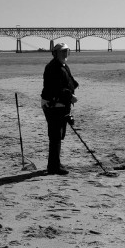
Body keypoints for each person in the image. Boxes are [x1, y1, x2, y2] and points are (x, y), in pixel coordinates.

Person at [41, 43, 79, 175]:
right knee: (55, 135)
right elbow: (55, 88)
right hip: (53, 105)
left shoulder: (63, 65)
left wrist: (74, 86)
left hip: (61, 104)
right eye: (62, 51)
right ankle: (53, 167)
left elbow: (69, 80)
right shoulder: (52, 67)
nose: (65, 53)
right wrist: (70, 96)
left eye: (67, 51)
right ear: (55, 53)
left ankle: (55, 163)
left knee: (58, 134)